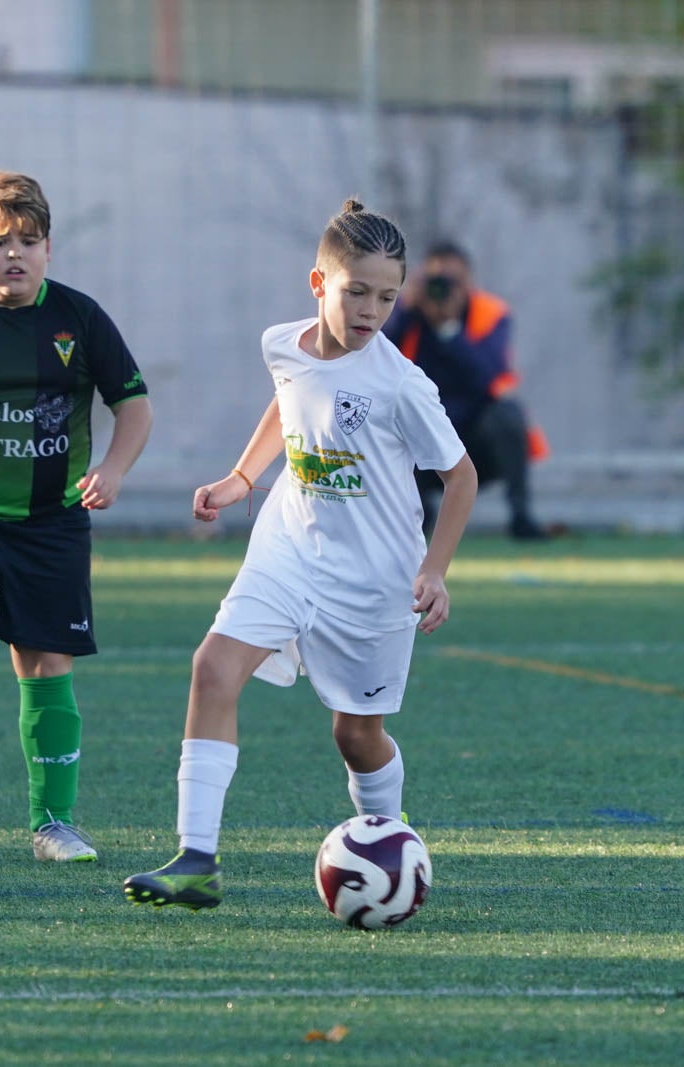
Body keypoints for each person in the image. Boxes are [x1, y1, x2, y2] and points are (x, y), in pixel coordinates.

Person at [122, 200, 477, 911]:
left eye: (386, 295)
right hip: (288, 545)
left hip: (376, 579)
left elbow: (460, 476)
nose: (372, 308)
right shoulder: (282, 344)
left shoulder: (401, 383)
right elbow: (287, 404)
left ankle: (389, 835)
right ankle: (196, 859)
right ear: (318, 284)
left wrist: (434, 568)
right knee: (213, 666)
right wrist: (240, 479)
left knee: (356, 733)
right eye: (357, 292)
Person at [0, 169, 153, 864]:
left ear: (49, 249)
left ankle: (54, 821)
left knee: (46, 663)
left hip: (51, 521)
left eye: (29, 240)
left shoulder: (79, 320)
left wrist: (112, 469)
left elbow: (133, 405)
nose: (13, 253)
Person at [382, 239, 550, 540]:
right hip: (420, 437)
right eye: (436, 281)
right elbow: (375, 356)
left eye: (452, 282)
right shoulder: (408, 314)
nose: (443, 290)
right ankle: (416, 511)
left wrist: (450, 329)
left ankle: (521, 517)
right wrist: (407, 309)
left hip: (475, 440)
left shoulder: (490, 313)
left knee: (509, 413)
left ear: (468, 282)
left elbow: (490, 374)